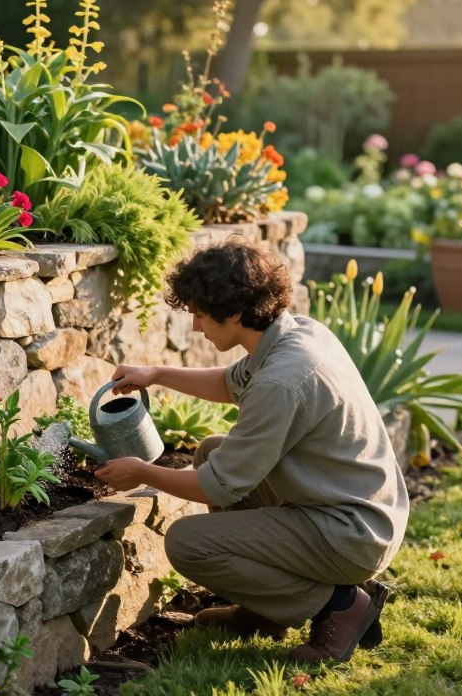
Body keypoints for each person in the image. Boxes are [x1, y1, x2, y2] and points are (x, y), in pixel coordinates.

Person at [94, 241, 409, 663]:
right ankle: (265, 609)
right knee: (211, 449)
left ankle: (340, 606)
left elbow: (217, 487)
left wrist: (143, 472)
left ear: (237, 314)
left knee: (188, 543)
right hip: (356, 508)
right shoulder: (297, 335)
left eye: (202, 316)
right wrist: (157, 374)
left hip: (349, 534)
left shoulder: (282, 380)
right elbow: (228, 383)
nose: (197, 329)